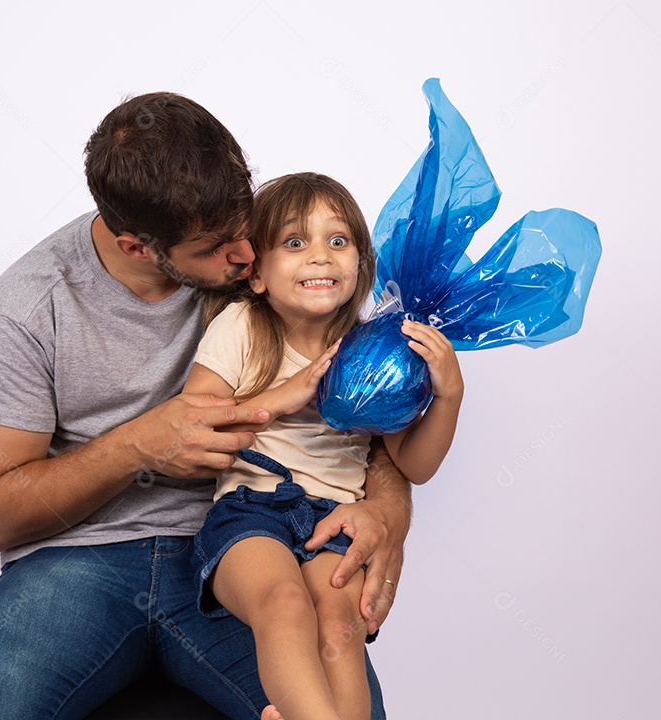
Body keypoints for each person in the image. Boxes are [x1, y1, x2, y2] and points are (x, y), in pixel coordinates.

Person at [0, 92, 412, 720]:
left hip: (247, 547)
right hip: (77, 563)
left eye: (244, 223)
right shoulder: (24, 309)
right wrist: (135, 446)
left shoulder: (269, 259)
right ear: (136, 247)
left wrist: (386, 510)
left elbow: (357, 396)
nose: (244, 256)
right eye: (215, 246)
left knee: (349, 711)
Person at [184, 173, 464, 720]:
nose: (320, 257)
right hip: (249, 512)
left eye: (338, 242)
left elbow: (413, 464)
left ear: (361, 264)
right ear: (257, 274)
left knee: (339, 622)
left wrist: (448, 395)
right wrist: (283, 396)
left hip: (333, 520)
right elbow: (194, 427)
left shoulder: (374, 349)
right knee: (284, 605)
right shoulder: (242, 325)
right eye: (295, 242)